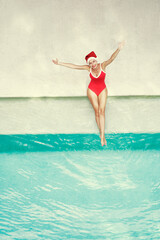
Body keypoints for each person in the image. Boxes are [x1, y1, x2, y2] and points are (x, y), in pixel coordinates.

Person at [52, 41, 125, 146]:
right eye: (90, 63)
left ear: (96, 61)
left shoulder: (103, 65)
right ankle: (101, 134)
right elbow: (74, 66)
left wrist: (118, 49)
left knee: (102, 111)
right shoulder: (88, 68)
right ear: (89, 64)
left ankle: (103, 136)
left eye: (94, 62)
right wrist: (59, 63)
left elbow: (111, 59)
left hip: (102, 89)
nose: (93, 64)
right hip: (92, 90)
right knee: (96, 112)